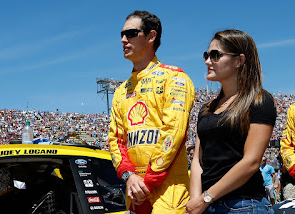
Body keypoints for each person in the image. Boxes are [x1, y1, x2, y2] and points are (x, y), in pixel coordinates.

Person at [109, 10, 195, 213]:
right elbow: (116, 140)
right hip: (135, 191)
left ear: (151, 36)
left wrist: (147, 182)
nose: (123, 40)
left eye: (130, 33)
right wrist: (129, 176)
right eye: (122, 34)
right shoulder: (121, 91)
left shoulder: (175, 78)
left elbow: (173, 133)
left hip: (168, 191)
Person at [185, 29, 276, 214]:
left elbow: (251, 161)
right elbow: (197, 161)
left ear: (239, 60)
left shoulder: (259, 101)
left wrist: (205, 198)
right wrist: (196, 202)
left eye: (215, 55)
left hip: (243, 205)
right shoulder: (206, 109)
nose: (207, 61)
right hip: (207, 205)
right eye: (206, 55)